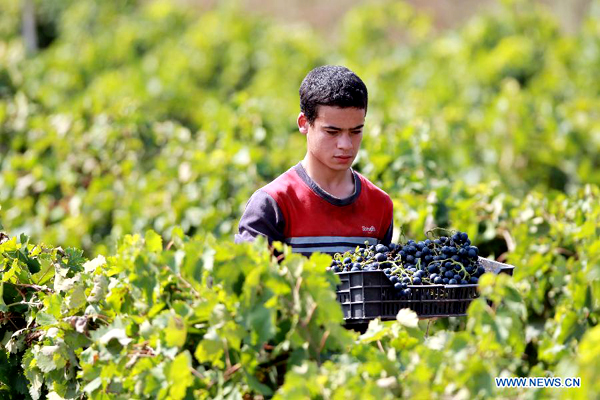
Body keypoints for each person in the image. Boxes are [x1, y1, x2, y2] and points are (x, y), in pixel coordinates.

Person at [235, 65, 393, 256]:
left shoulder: (380, 205)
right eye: (332, 132)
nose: (346, 144)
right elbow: (253, 281)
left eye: (356, 131)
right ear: (304, 124)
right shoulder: (273, 203)